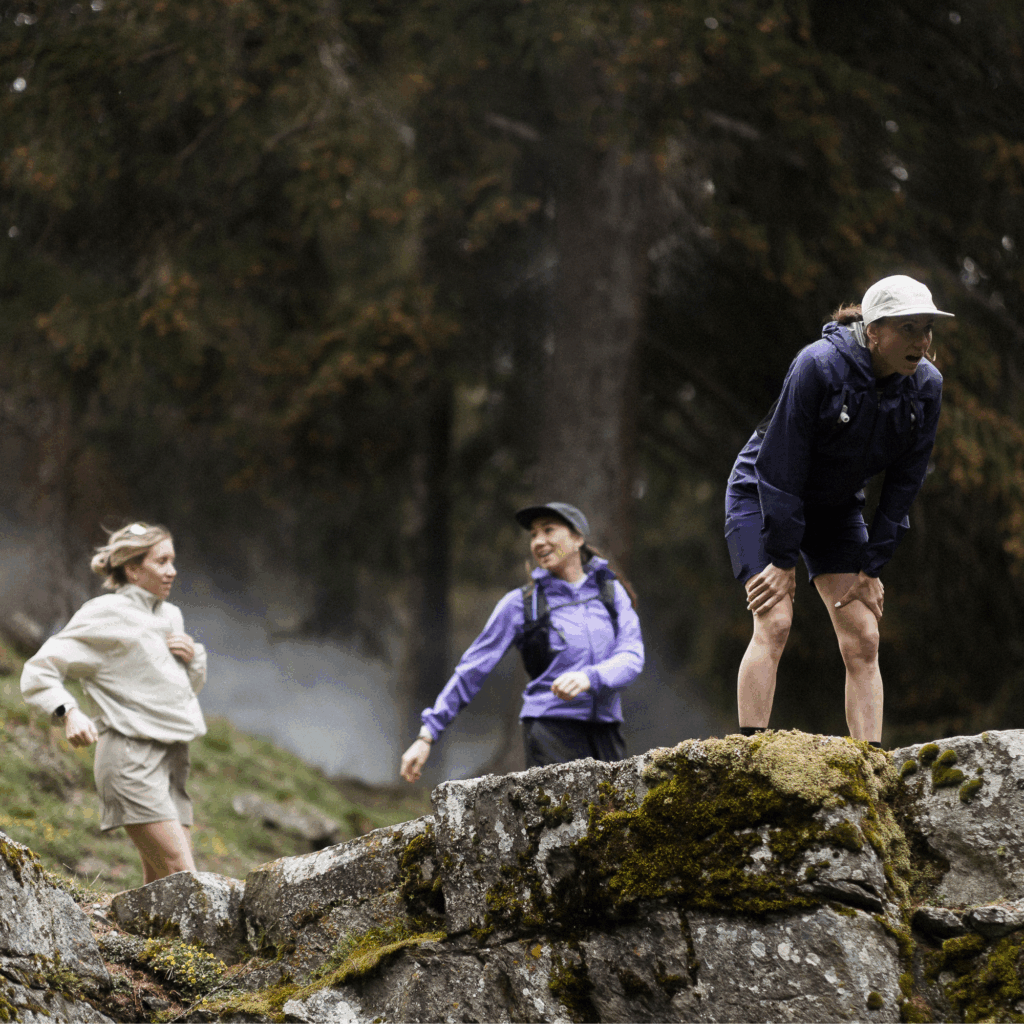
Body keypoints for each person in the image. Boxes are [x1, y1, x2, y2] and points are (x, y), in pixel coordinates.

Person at [725, 275, 951, 744]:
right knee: (775, 620)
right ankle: (748, 756)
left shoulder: (927, 387)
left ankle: (871, 765)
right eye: (908, 328)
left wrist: (872, 566)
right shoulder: (818, 365)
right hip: (761, 494)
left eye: (927, 328)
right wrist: (782, 559)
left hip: (834, 508)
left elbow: (905, 483)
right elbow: (780, 467)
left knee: (864, 636)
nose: (922, 341)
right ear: (874, 331)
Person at [400, 502, 644, 781]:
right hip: (551, 730)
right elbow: (472, 670)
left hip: (607, 730)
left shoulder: (611, 594)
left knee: (614, 810)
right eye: (533, 534)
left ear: (578, 538)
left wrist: (590, 677)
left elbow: (632, 656)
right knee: (566, 810)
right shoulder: (521, 604)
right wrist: (427, 735)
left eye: (548, 530)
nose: (538, 541)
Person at [21, 522, 207, 882]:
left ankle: (135, 922)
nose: (172, 571)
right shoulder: (106, 613)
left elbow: (181, 694)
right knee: (183, 877)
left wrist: (194, 658)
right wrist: (68, 712)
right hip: (130, 760)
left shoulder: (171, 615)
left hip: (174, 758)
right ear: (133, 569)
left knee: (163, 886)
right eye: (162, 562)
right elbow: (39, 669)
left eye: (172, 561)